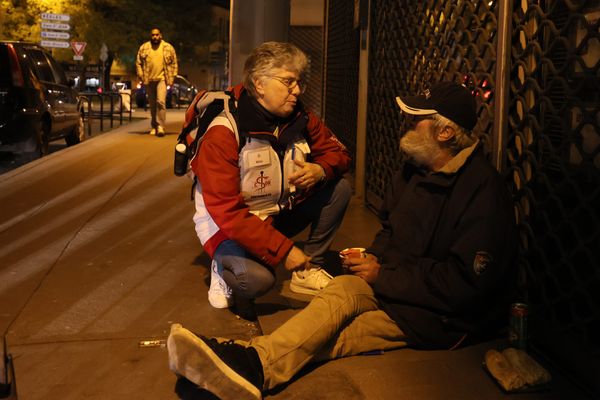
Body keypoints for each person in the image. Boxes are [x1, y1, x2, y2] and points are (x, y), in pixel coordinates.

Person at [166, 81, 518, 400]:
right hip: (393, 288)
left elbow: (463, 286)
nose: (408, 126)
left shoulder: (482, 191)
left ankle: (244, 364)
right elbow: (391, 231)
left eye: (417, 120)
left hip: (437, 317)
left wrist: (383, 275)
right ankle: (241, 369)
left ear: (444, 132)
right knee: (333, 305)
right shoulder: (416, 169)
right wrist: (371, 259)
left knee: (329, 333)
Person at [191, 42, 352, 313]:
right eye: (288, 82)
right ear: (259, 84)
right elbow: (227, 213)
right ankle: (222, 263)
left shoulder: (300, 117)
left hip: (274, 214)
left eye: (299, 82)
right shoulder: (224, 130)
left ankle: (308, 269)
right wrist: (285, 251)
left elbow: (339, 153)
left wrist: (320, 170)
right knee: (256, 282)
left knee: (339, 189)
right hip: (228, 227)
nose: (297, 91)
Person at [136, 27, 178, 137]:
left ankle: (161, 127)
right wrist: (141, 74)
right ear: (151, 36)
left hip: (162, 79)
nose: (155, 37)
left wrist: (172, 77)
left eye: (157, 35)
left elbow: (174, 63)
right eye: (153, 35)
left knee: (161, 102)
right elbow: (138, 62)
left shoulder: (168, 48)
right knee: (153, 104)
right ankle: (154, 126)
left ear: (161, 35)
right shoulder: (144, 48)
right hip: (149, 80)